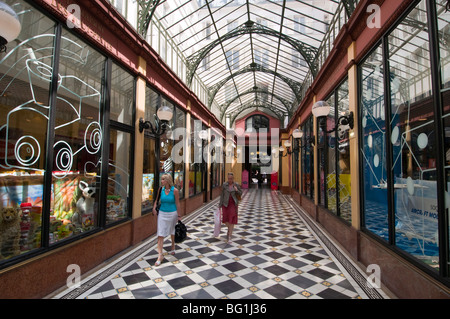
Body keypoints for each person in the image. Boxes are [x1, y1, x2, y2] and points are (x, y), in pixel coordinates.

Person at [152, 174, 181, 266]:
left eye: (163, 179)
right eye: (161, 179)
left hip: (172, 214)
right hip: (162, 213)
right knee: (160, 234)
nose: (161, 181)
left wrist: (179, 215)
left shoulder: (175, 191)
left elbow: (177, 203)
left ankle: (173, 245)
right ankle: (160, 255)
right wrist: (154, 207)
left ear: (168, 181)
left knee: (172, 231)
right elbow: (156, 200)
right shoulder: (161, 190)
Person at [219, 172, 243, 244]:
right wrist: (220, 205)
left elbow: (240, 193)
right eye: (229, 178)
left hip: (233, 204)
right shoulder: (224, 185)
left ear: (233, 178)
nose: (230, 180)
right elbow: (222, 195)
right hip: (225, 204)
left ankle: (229, 236)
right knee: (226, 220)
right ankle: (229, 230)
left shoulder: (236, 185)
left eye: (231, 178)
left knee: (231, 219)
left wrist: (236, 190)